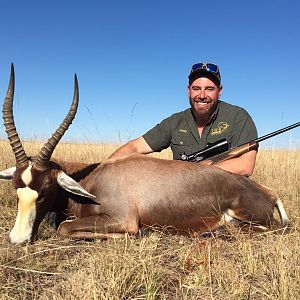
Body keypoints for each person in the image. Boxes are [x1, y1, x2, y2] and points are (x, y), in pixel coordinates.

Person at [109, 62, 258, 176]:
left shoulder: (238, 117)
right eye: (196, 88)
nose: (202, 95)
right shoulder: (175, 122)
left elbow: (246, 165)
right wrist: (102, 169)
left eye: (209, 89)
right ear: (188, 91)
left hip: (225, 197)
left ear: (220, 92)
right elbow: (134, 147)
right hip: (183, 197)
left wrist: (193, 171)